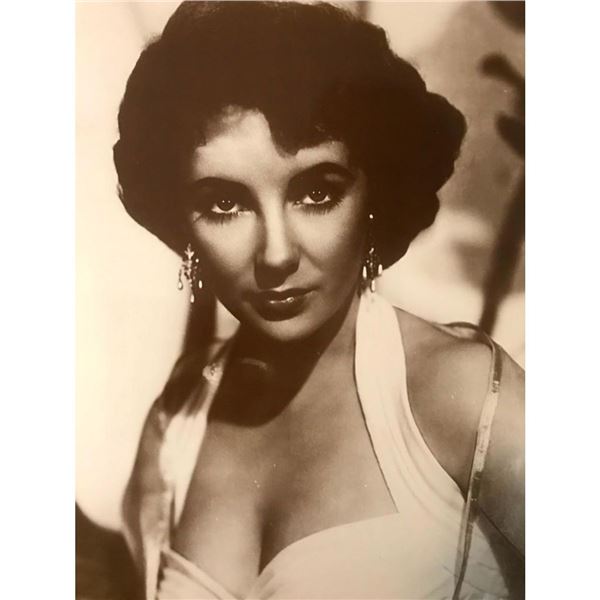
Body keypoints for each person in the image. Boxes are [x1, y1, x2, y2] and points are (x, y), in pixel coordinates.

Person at [113, 2, 525, 598]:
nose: (276, 253)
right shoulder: (176, 424)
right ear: (183, 225)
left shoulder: (457, 390)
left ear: (374, 196)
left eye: (316, 193)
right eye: (225, 204)